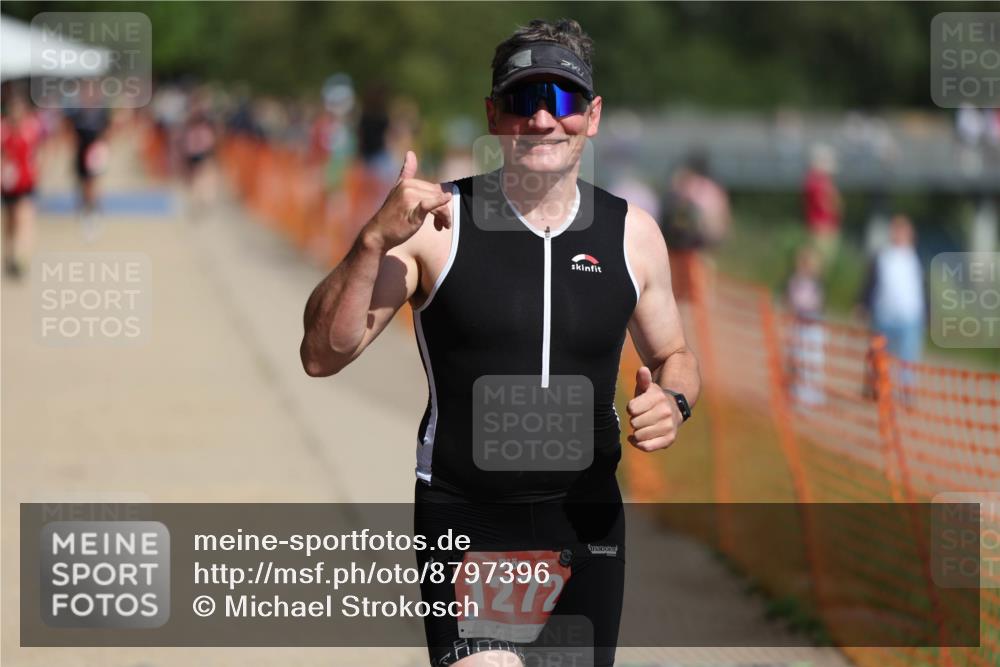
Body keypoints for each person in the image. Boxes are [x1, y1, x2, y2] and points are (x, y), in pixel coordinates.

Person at [300, 18, 700, 667]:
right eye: (522, 101)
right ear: (494, 115)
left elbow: (675, 357)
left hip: (586, 523)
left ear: (592, 116)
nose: (543, 120)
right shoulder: (435, 225)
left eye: (563, 100)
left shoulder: (633, 235)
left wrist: (675, 400)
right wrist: (371, 241)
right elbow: (322, 353)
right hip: (470, 521)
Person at [858, 214, 925, 402]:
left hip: (910, 317)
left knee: (908, 359)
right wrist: (863, 304)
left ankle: (906, 393)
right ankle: (875, 388)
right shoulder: (882, 256)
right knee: (879, 357)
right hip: (884, 316)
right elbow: (870, 283)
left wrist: (929, 312)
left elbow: (923, 288)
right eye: (897, 229)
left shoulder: (916, 257)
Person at [1, 93, 43, 279]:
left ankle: (21, 257)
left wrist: (38, 169)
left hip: (26, 182)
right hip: (8, 183)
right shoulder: (3, 130)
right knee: (10, 221)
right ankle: (9, 255)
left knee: (24, 218)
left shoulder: (32, 128)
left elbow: (40, 149)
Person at [65, 80, 111, 240]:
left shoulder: (101, 112)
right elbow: (70, 132)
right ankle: (86, 210)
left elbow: (107, 132)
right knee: (82, 184)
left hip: (94, 154)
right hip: (80, 153)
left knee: (92, 185)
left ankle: (93, 212)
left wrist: (102, 150)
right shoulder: (77, 112)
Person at [785, 245, 826, 406]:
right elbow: (791, 301)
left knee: (811, 360)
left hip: (812, 326)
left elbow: (816, 304)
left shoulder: (816, 285)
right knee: (797, 358)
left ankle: (812, 394)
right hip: (799, 324)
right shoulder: (794, 282)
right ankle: (797, 391)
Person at [802, 143, 842, 269]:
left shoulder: (814, 181)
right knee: (819, 264)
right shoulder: (818, 182)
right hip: (822, 228)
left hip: (821, 227)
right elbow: (830, 205)